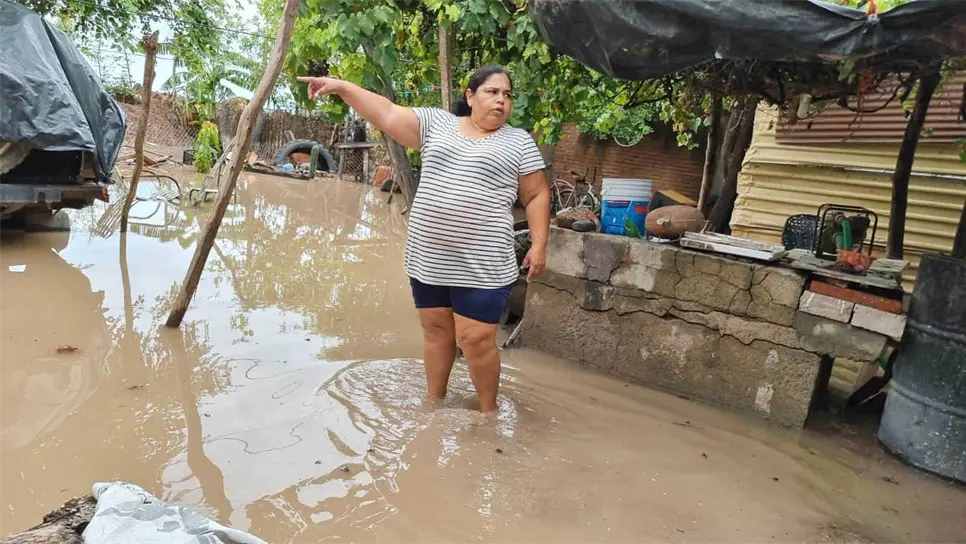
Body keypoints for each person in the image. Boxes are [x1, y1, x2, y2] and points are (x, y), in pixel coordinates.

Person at [298, 65, 550, 414]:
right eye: (492, 92)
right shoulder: (437, 124)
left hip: (484, 263)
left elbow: (536, 195)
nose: (501, 101)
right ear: (470, 96)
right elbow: (386, 112)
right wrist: (342, 87)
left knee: (475, 338)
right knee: (435, 330)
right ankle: (433, 406)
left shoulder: (518, 142)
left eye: (507, 95)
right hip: (429, 258)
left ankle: (489, 414)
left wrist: (539, 244)